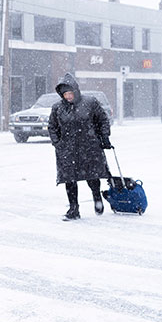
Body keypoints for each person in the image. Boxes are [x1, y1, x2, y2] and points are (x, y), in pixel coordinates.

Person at [47, 73, 113, 221]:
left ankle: (97, 198)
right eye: (65, 94)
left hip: (89, 146)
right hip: (67, 149)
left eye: (70, 93)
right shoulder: (58, 108)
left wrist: (104, 137)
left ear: (76, 91)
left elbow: (102, 120)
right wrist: (57, 143)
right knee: (69, 180)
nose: (68, 97)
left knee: (92, 175)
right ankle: (73, 209)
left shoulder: (90, 102)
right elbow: (52, 126)